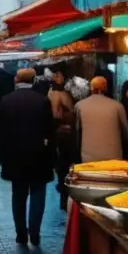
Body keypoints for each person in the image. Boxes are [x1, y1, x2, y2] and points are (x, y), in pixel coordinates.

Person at [0, 68, 56, 246]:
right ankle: (35, 232)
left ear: (16, 79)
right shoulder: (43, 101)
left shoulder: (6, 101)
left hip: (14, 156)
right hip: (38, 155)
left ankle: (21, 232)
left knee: (18, 195)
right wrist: (51, 153)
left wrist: (1, 153)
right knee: (38, 193)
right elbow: (50, 131)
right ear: (34, 80)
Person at [75, 76, 128, 163]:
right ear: (106, 88)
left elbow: (77, 131)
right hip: (113, 156)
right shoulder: (117, 106)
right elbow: (126, 132)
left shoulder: (80, 105)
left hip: (88, 157)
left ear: (91, 88)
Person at [47, 69, 76, 208]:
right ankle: (65, 196)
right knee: (64, 165)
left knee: (61, 165)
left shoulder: (51, 93)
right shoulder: (59, 94)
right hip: (63, 133)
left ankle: (63, 195)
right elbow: (67, 112)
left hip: (57, 132)